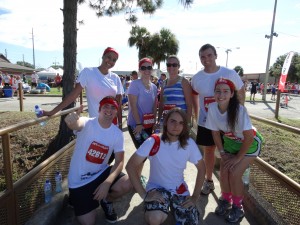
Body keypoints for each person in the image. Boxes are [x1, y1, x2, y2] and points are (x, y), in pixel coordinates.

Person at [126, 108, 206, 225]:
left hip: (179, 190)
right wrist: (144, 195)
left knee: (191, 222)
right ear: (166, 122)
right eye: (172, 121)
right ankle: (158, 209)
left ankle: (173, 211)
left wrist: (195, 197)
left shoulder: (189, 143)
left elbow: (202, 168)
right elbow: (130, 166)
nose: (176, 126)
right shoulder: (153, 141)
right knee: (154, 219)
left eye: (181, 123)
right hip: (157, 189)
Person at [65, 96, 132, 225]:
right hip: (79, 181)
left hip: (101, 173)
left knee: (127, 182)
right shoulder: (87, 122)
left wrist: (107, 183)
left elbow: (119, 161)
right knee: (88, 222)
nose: (109, 110)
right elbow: (76, 124)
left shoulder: (117, 134)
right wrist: (71, 121)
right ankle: (76, 198)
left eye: (113, 107)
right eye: (106, 106)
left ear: (116, 111)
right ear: (99, 109)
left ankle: (107, 200)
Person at [205, 78, 262, 223]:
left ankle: (238, 207)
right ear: (214, 93)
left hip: (249, 145)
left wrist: (237, 159)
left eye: (225, 91)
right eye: (218, 91)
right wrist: (222, 153)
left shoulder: (239, 110)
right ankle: (226, 200)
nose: (221, 94)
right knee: (223, 172)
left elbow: (248, 137)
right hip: (231, 143)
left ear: (231, 94)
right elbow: (215, 133)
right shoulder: (212, 108)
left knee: (235, 173)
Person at [191, 43, 245, 195]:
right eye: (202, 56)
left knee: (229, 153)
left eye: (209, 55)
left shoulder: (229, 73)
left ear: (216, 55)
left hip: (228, 123)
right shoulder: (197, 78)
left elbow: (240, 92)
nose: (206, 59)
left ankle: (227, 188)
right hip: (206, 122)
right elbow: (194, 95)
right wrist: (196, 113)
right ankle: (209, 181)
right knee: (209, 151)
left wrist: (238, 115)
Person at [43, 47, 124, 129]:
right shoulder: (88, 72)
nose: (110, 61)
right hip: (95, 126)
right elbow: (73, 95)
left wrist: (120, 125)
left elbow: (118, 104)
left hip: (112, 126)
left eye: (114, 60)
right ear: (103, 56)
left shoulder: (115, 77)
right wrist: (52, 112)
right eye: (109, 57)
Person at [127, 57, 158, 149]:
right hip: (136, 125)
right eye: (143, 68)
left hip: (148, 124)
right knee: (142, 152)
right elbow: (133, 106)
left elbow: (154, 107)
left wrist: (154, 122)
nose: (146, 70)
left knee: (147, 152)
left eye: (149, 67)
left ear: (152, 70)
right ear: (139, 70)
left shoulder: (154, 87)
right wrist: (139, 124)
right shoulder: (134, 84)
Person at [158, 55, 192, 126]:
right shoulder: (164, 83)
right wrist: (158, 121)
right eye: (169, 65)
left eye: (174, 65)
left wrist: (187, 124)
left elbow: (189, 105)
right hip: (166, 122)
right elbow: (161, 104)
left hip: (180, 123)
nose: (171, 67)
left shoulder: (183, 81)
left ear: (178, 66)